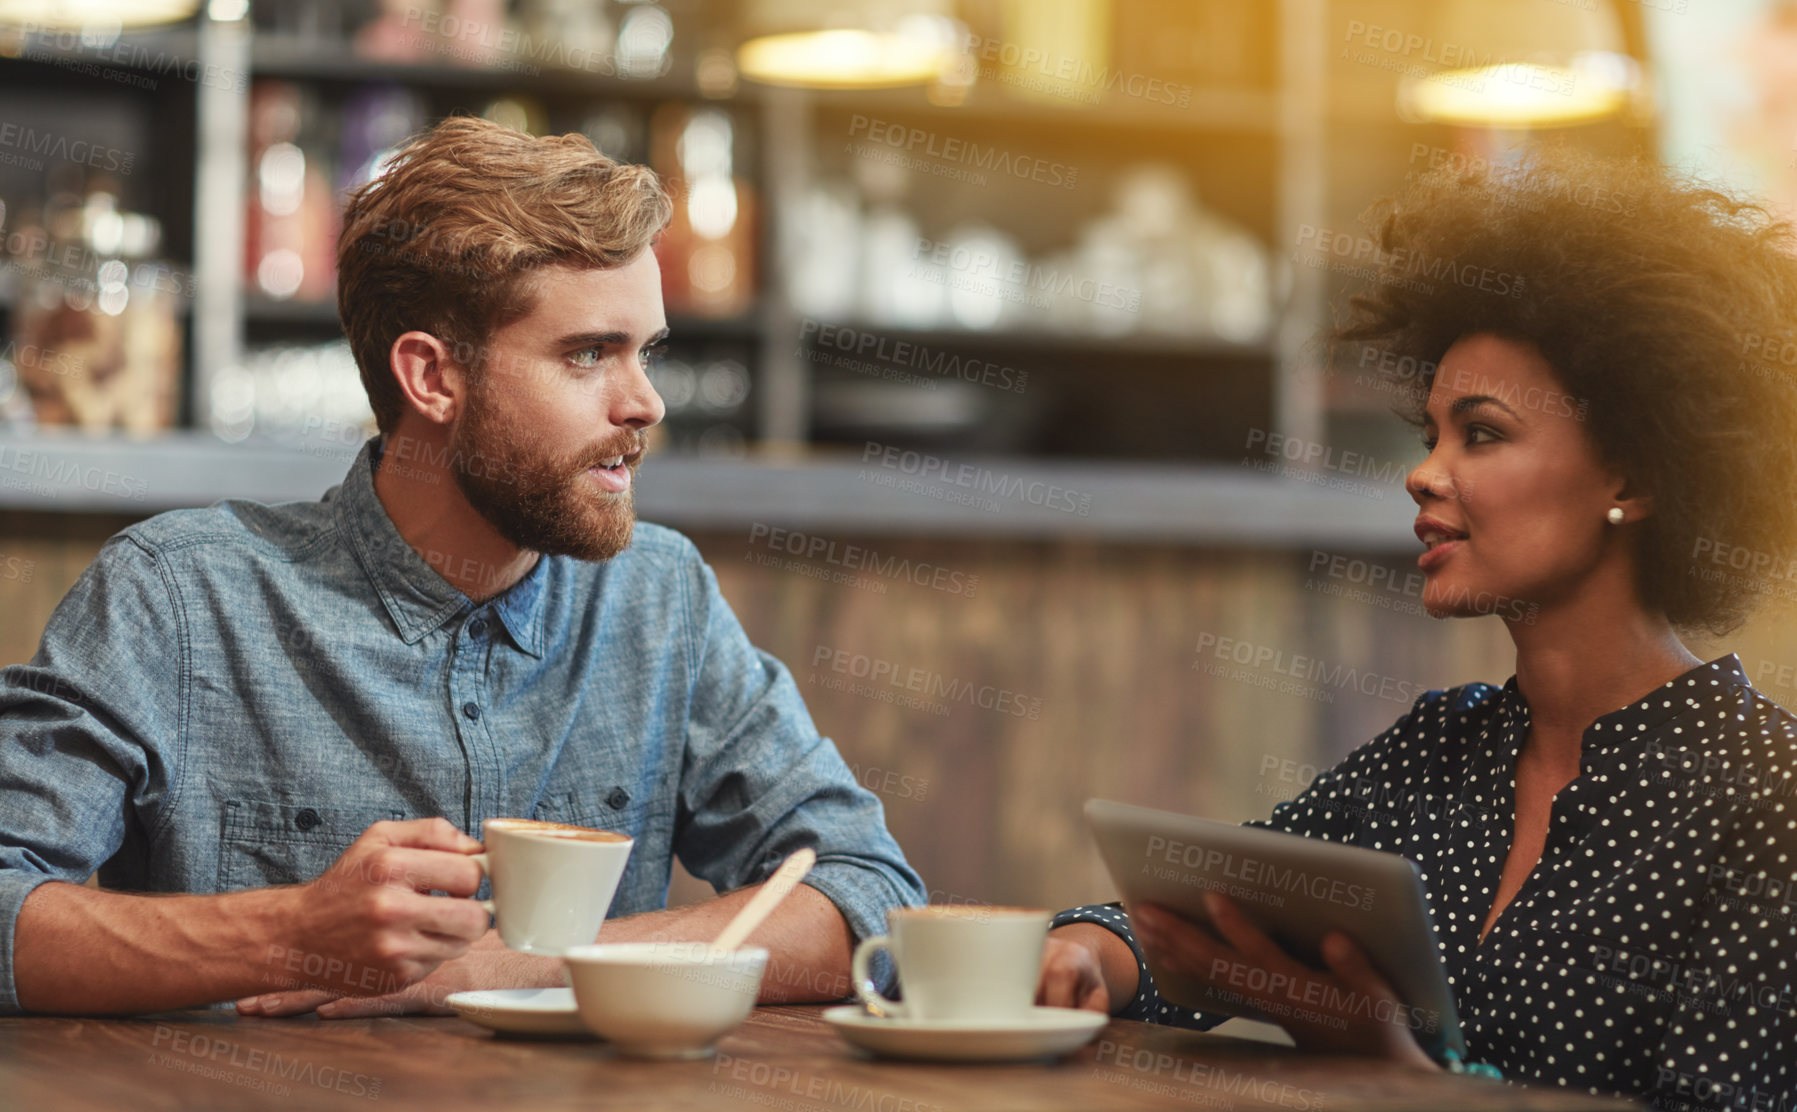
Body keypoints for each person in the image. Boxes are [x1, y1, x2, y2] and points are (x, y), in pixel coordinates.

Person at [0, 116, 925, 1017]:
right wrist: (286, 933)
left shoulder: (657, 597)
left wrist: (527, 968)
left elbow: (867, 892)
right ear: (432, 378)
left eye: (645, 354)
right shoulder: (179, 596)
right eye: (588, 354)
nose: (643, 402)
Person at [1036, 150, 1797, 1108]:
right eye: (1428, 434)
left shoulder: (1771, 799)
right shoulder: (1436, 751)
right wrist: (1085, 954)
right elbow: (1200, 918)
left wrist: (1395, 1074)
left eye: (1480, 433)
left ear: (1634, 479)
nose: (1424, 472)